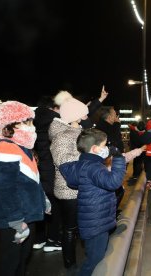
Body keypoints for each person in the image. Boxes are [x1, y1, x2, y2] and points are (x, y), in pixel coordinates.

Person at [0, 101, 50, 275]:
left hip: (26, 216)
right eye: (27, 122)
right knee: (11, 264)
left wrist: (42, 200)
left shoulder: (21, 148)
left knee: (21, 261)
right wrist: (16, 221)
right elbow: (5, 190)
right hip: (14, 221)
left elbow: (31, 181)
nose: (32, 127)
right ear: (10, 125)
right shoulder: (5, 149)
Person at [58, 129, 125, 275]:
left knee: (96, 256)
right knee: (95, 260)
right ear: (95, 149)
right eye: (105, 145)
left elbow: (75, 182)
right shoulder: (93, 167)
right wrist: (118, 158)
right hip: (96, 223)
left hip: (94, 220)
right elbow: (113, 182)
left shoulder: (84, 164)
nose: (107, 148)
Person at [49, 97, 89, 270]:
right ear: (75, 116)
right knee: (70, 229)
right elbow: (64, 162)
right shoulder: (62, 136)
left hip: (82, 187)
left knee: (83, 225)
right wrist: (89, 157)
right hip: (69, 189)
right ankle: (70, 264)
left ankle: (88, 259)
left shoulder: (78, 132)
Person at [32, 96, 62, 252]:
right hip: (52, 166)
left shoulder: (31, 119)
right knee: (55, 204)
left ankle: (39, 238)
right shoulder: (56, 119)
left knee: (41, 203)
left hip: (36, 167)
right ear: (52, 108)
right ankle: (53, 239)